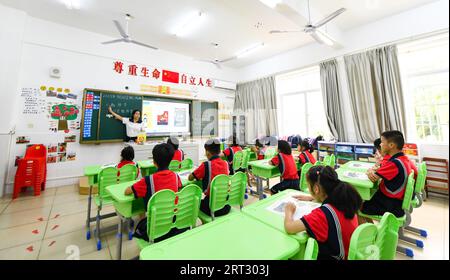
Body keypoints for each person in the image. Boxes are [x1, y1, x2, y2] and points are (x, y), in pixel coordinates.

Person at [284, 165, 363, 260]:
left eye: (309, 186)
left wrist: (289, 210)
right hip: (348, 253)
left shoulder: (322, 215)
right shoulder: (344, 197)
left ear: (316, 189)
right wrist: (314, 197)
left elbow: (289, 227)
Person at [124, 143, 183, 242]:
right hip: (173, 221)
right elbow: (179, 186)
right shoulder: (175, 176)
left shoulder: (148, 180)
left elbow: (127, 192)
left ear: (154, 162)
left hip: (154, 227)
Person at [360, 131, 412, 222]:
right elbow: (377, 172)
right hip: (395, 201)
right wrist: (373, 171)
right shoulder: (402, 158)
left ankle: (370, 233)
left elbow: (373, 177)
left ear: (391, 145)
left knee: (356, 206)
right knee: (366, 198)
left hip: (391, 204)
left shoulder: (394, 163)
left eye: (382, 142)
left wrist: (370, 171)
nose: (380, 144)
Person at [188, 139, 230, 218]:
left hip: (211, 207)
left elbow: (190, 178)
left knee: (194, 202)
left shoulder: (206, 165)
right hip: (225, 205)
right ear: (219, 151)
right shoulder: (225, 163)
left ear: (207, 152)